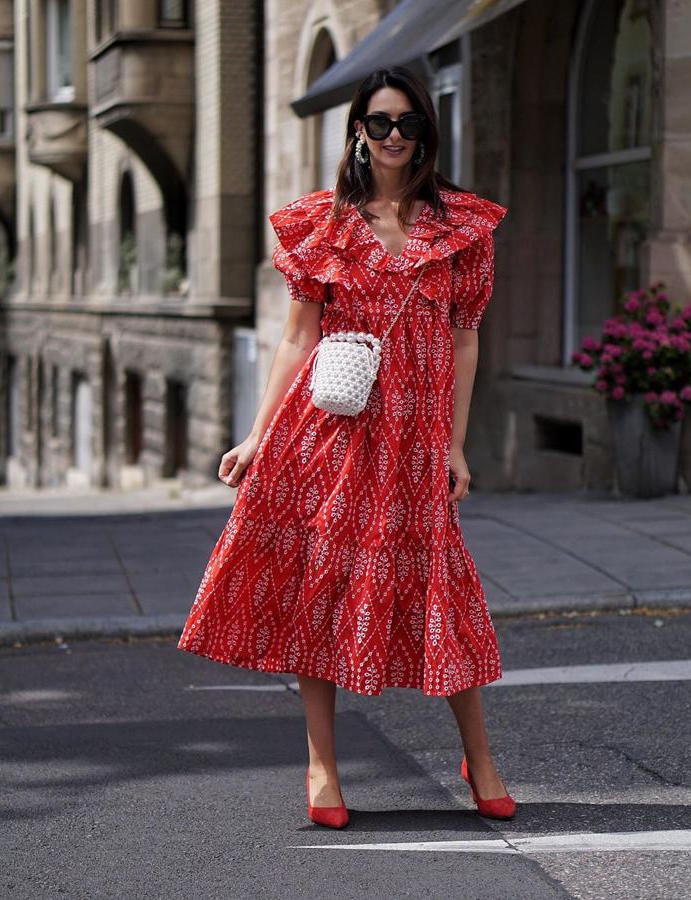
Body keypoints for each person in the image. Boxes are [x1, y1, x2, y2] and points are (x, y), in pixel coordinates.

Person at [177, 65, 515, 829]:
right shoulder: (321, 224)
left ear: (425, 133)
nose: (395, 135)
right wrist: (258, 434)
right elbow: (297, 338)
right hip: (332, 433)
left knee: (441, 589)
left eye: (409, 123)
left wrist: (455, 445)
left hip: (416, 441)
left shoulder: (461, 227)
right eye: (381, 122)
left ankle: (480, 757)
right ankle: (322, 764)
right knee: (321, 587)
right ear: (359, 130)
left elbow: (465, 341)